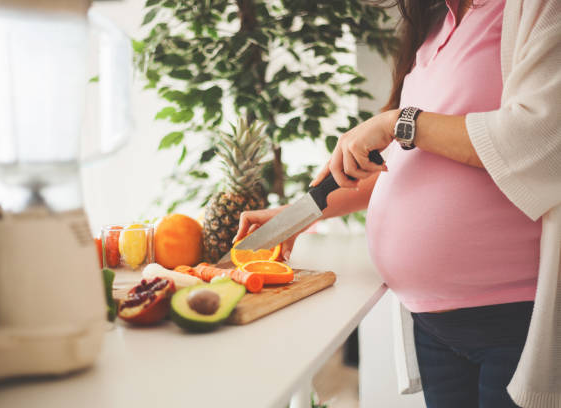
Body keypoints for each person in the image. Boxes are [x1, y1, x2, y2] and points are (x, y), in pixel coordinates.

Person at [234, 0, 561, 406]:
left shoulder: (534, 9)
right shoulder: (437, 26)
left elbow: (540, 140)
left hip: (511, 320)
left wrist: (398, 122)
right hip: (434, 326)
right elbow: (399, 163)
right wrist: (297, 215)